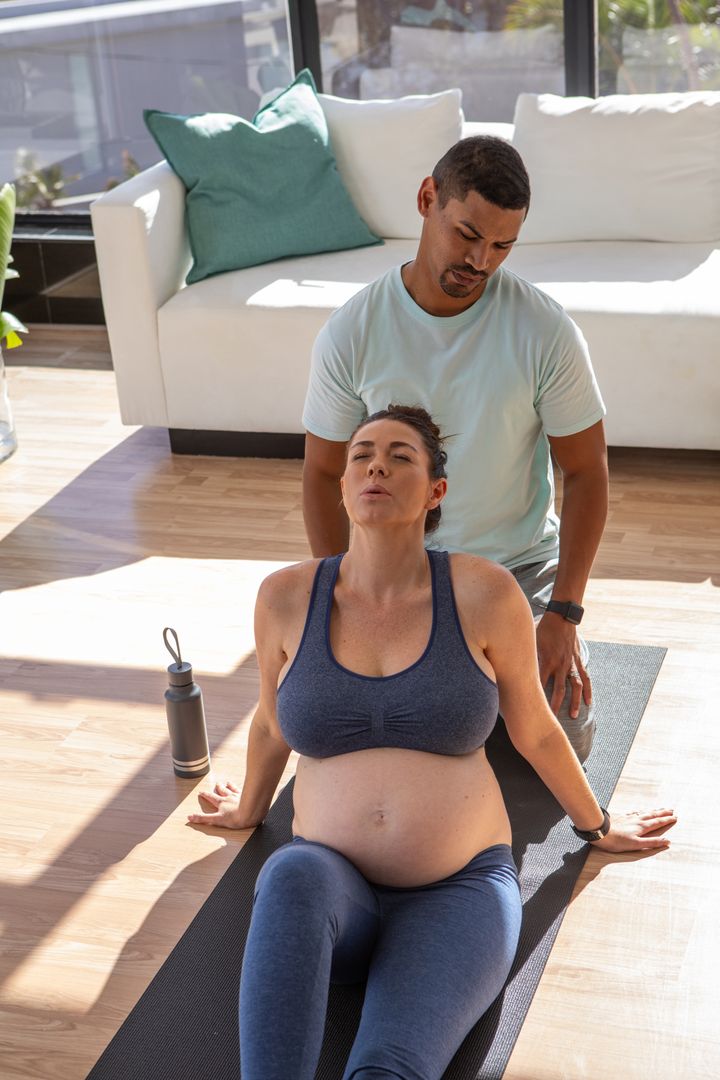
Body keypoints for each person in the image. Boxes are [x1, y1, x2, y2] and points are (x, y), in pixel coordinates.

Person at [189, 406, 675, 1080]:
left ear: (435, 490)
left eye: (400, 456)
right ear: (343, 485)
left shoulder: (483, 592)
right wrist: (248, 808)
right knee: (290, 874)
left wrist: (597, 825)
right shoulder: (286, 596)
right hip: (330, 883)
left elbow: (535, 727)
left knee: (387, 1071)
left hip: (459, 889)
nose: (376, 466)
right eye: (361, 456)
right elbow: (272, 723)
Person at [301, 136, 609, 763]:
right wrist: (342, 595)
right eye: (467, 234)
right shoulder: (352, 331)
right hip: (396, 571)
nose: (480, 260)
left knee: (565, 738)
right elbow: (323, 472)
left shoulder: (545, 330)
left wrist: (563, 613)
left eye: (501, 246)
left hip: (517, 569)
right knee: (349, 731)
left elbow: (585, 471)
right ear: (427, 199)